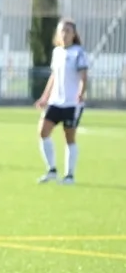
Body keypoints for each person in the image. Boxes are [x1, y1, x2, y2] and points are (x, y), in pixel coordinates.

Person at [36, 19, 88, 185]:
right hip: (55, 101)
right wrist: (45, 97)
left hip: (72, 103)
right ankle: (51, 170)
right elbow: (53, 76)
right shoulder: (57, 52)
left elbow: (84, 76)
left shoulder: (78, 53)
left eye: (68, 31)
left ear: (73, 34)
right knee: (43, 131)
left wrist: (81, 92)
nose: (64, 34)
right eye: (62, 31)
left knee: (69, 137)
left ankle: (69, 175)